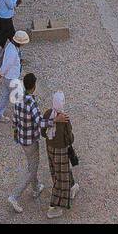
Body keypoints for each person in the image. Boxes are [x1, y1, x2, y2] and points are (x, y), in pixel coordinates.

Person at [7, 72, 44, 214]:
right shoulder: (32, 103)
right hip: (31, 141)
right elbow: (40, 122)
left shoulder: (18, 100)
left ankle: (36, 188)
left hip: (22, 139)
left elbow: (14, 121)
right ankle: (14, 196)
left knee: (31, 164)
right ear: (33, 87)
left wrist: (16, 136)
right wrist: (54, 121)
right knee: (32, 168)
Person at [43, 90, 78, 218]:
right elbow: (70, 138)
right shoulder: (65, 118)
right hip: (61, 151)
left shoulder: (47, 113)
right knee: (61, 177)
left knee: (57, 172)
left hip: (50, 149)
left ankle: (73, 187)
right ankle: (58, 207)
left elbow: (43, 132)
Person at [0, 28, 29, 121]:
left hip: (8, 78)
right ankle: (21, 118)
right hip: (12, 78)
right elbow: (8, 64)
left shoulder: (10, 46)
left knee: (5, 96)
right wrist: (1, 73)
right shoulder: (13, 52)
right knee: (19, 98)